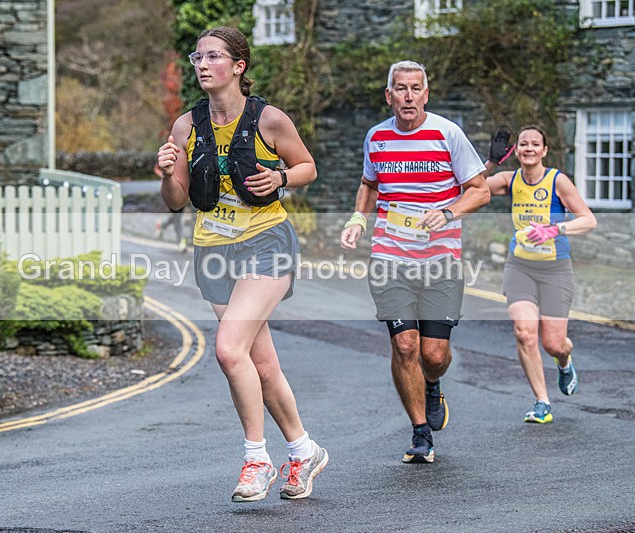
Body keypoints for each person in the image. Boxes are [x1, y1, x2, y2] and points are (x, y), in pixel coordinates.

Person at [156, 26, 328, 502]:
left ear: (238, 66)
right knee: (261, 363)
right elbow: (175, 201)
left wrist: (281, 176)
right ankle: (304, 449)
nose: (202, 64)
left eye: (214, 56)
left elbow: (308, 167)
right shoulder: (186, 127)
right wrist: (170, 173)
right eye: (197, 57)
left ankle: (256, 459)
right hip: (213, 249)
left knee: (230, 349)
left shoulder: (269, 119)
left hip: (266, 241)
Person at [341, 60, 490, 464]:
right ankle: (421, 431)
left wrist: (448, 213)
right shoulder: (376, 138)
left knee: (434, 355)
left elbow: (479, 191)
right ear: (388, 95)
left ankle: (432, 384)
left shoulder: (447, 134)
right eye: (400, 89)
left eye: (416, 89)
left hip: (440, 259)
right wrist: (358, 218)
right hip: (390, 257)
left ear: (427, 93)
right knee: (405, 345)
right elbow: (369, 185)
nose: (408, 96)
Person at [483, 125, 597, 424]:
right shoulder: (510, 179)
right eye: (523, 144)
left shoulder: (558, 181)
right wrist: (492, 163)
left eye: (535, 144)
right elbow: (470, 188)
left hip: (555, 268)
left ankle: (564, 360)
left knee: (553, 344)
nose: (529, 148)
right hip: (519, 266)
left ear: (544, 151)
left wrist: (554, 228)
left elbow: (588, 220)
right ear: (516, 150)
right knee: (523, 332)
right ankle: (542, 402)